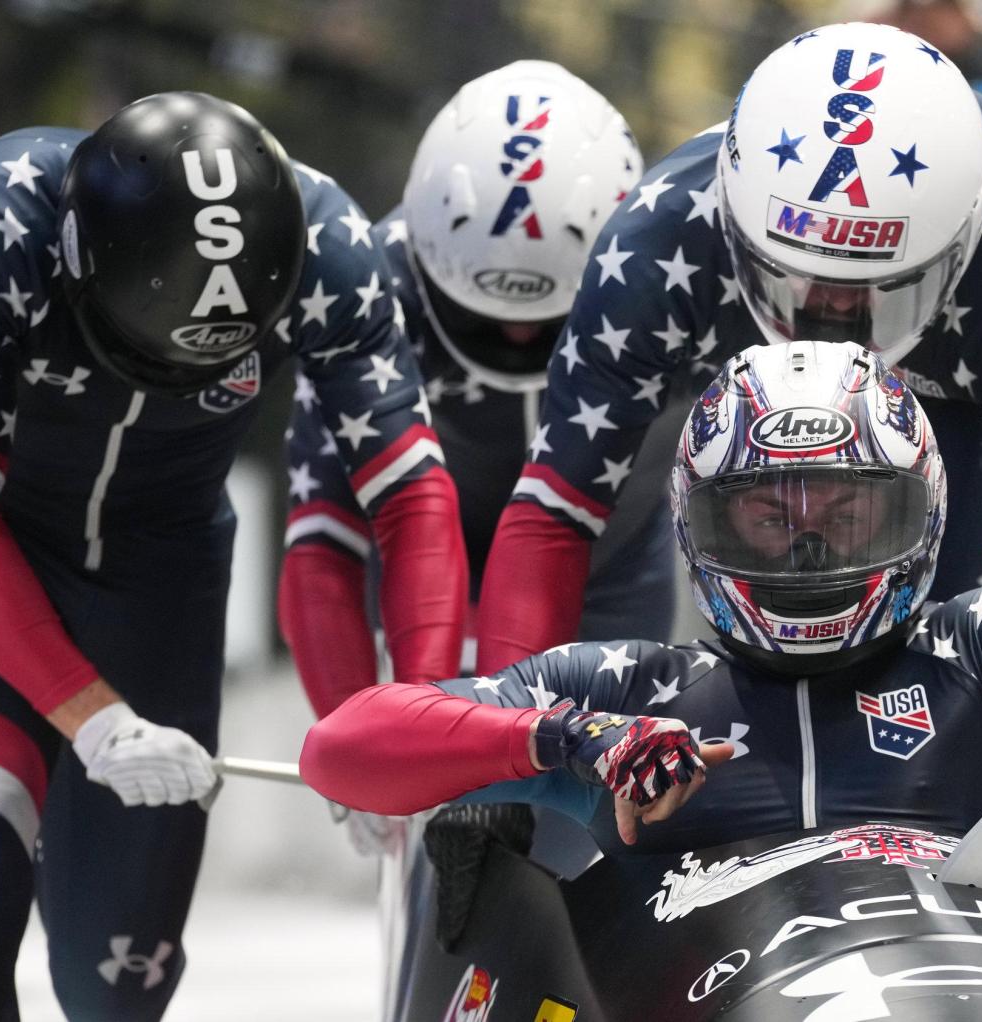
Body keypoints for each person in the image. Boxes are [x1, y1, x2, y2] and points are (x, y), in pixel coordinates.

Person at [0, 92, 465, 1020]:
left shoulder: (332, 250)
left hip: (163, 571)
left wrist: (416, 726)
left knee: (121, 971)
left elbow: (412, 494)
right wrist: (95, 718)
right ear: (77, 261)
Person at [301, 342, 982, 858]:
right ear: (703, 525)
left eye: (848, 512)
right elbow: (340, 749)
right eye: (769, 519)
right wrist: (571, 739)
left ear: (918, 510)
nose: (812, 545)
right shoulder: (629, 695)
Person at [472, 21, 982, 677]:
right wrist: (507, 724)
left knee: (957, 635)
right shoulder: (653, 247)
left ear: (958, 248)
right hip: (731, 348)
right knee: (670, 522)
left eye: (875, 286)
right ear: (734, 222)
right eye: (800, 277)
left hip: (953, 394)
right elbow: (555, 512)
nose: (833, 306)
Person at [278, 62, 660, 866]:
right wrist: (365, 727)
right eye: (483, 320)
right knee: (452, 823)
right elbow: (323, 538)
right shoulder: (365, 281)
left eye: (543, 322)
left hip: (611, 562)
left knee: (593, 835)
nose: (517, 340)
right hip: (432, 555)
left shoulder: (661, 271)